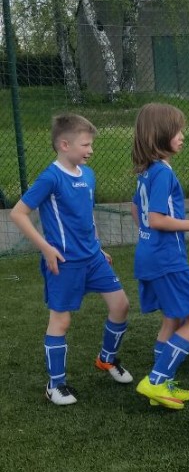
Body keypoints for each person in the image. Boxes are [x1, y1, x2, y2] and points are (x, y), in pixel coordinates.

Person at [10, 113, 133, 406]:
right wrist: (45, 248)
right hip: (64, 262)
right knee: (61, 321)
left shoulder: (87, 175)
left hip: (93, 258)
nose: (91, 150)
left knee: (121, 305)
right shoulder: (50, 177)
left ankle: (106, 359)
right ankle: (55, 385)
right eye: (85, 145)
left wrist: (98, 247)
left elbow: (85, 217)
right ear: (65, 145)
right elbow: (18, 213)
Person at [132, 103, 189, 410]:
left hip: (149, 255)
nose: (182, 136)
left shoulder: (147, 171)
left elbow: (136, 210)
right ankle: (156, 380)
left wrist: (147, 239)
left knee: (172, 318)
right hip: (167, 259)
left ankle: (161, 386)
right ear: (160, 134)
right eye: (177, 131)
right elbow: (156, 219)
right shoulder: (162, 173)